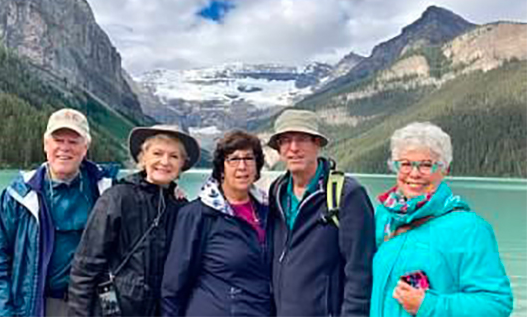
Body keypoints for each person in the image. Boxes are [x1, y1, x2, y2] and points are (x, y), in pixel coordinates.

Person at [0, 108, 117, 317]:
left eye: (73, 142)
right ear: (46, 145)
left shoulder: (109, 189)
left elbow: (147, 196)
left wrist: (171, 192)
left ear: (85, 147)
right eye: (58, 140)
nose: (64, 148)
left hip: (97, 305)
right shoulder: (18, 197)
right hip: (42, 306)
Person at [370, 122, 513, 317]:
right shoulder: (385, 217)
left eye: (426, 165)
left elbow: (496, 304)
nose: (414, 173)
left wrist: (428, 305)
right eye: (405, 164)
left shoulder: (470, 228)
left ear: (444, 169)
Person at [67, 124, 200, 316]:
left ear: (181, 165)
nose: (165, 161)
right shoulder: (116, 198)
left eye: (174, 156)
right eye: (157, 153)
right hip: (114, 311)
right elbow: (85, 267)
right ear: (143, 157)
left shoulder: (181, 208)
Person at [267, 108, 376, 317]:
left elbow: (360, 271)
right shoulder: (277, 191)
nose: (293, 148)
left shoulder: (347, 194)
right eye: (286, 141)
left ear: (317, 143)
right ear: (279, 148)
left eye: (302, 140)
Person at [161, 130, 272, 316]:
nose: (242, 166)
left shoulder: (268, 210)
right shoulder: (197, 214)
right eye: (233, 159)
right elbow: (173, 285)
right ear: (221, 168)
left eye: (249, 158)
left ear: (257, 166)